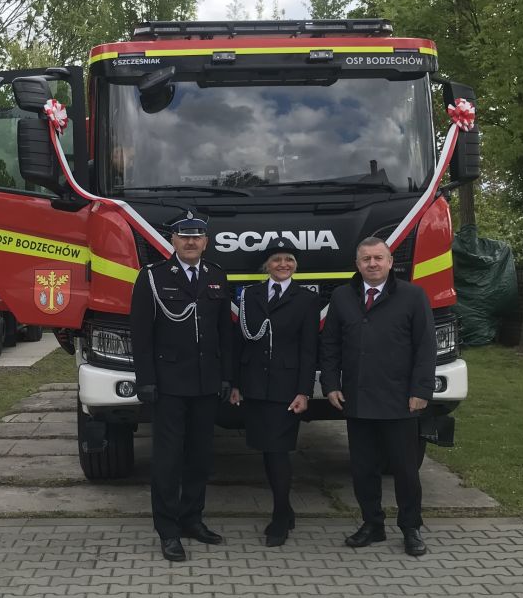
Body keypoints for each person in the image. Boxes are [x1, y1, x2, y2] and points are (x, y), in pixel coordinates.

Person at [319, 237, 436, 557]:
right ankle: (372, 524)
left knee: (405, 470)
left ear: (389, 261)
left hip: (400, 400)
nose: (372, 264)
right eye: (366, 259)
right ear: (357, 264)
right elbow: (329, 346)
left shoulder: (412, 296)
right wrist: (330, 385)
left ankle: (411, 528)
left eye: (378, 258)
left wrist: (420, 390)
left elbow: (426, 347)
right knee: (363, 469)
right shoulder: (343, 296)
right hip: (358, 399)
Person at [129, 212, 234, 562]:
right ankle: (168, 530)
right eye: (184, 236)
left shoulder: (217, 276)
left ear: (206, 241)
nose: (191, 242)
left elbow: (225, 335)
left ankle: (192, 520)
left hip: (206, 384)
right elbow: (141, 335)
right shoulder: (153, 278)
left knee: (200, 459)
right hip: (169, 385)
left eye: (198, 236)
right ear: (173, 241)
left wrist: (226, 376)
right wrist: (145, 380)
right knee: (167, 461)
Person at [228, 238, 318, 547]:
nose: (283, 264)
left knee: (279, 450)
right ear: (267, 265)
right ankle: (287, 509)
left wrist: (304, 391)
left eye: (289, 259)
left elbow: (309, 350)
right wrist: (236, 383)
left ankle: (280, 517)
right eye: (277, 259)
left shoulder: (305, 299)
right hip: (254, 384)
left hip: (286, 387)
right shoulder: (249, 295)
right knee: (266, 449)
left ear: (295, 265)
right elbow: (240, 342)